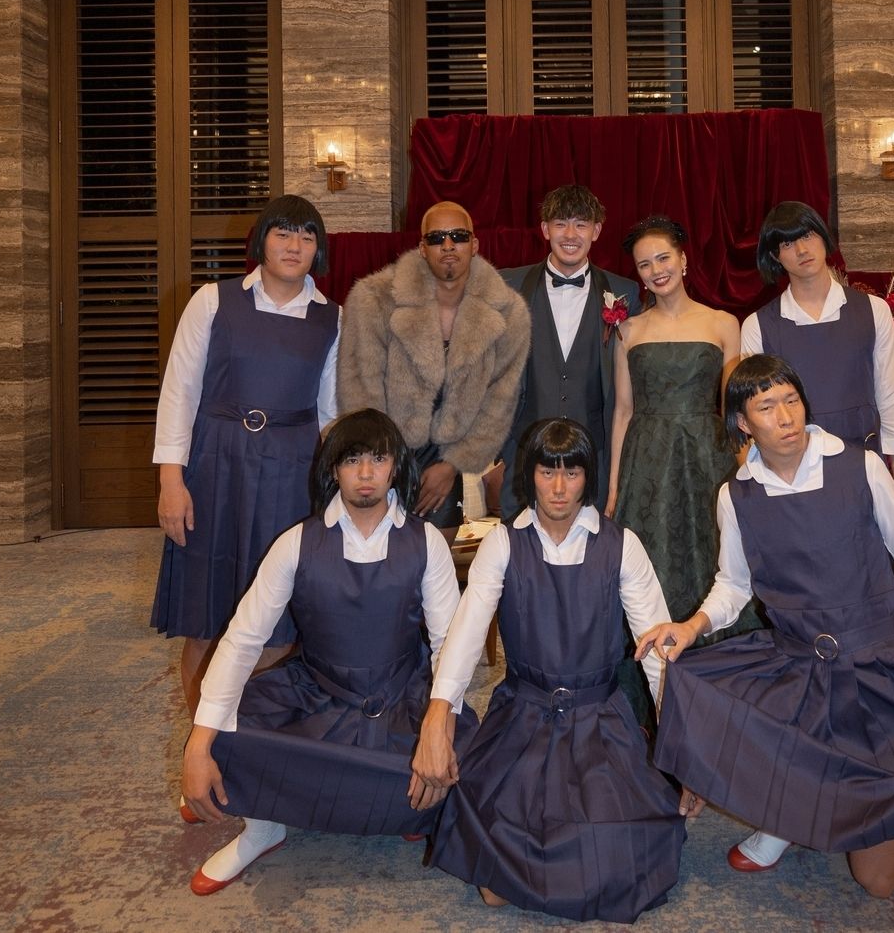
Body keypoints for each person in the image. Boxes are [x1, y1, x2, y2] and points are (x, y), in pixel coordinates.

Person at [637, 356, 894, 898]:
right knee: (695, 683)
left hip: (875, 664)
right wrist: (692, 626)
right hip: (794, 666)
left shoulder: (861, 468)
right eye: (766, 406)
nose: (785, 416)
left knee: (876, 881)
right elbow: (734, 585)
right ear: (742, 422)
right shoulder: (736, 496)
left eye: (791, 400)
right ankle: (792, 814)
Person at [181, 408, 473, 895]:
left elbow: (450, 644)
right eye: (352, 460)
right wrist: (197, 743)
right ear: (333, 469)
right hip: (317, 694)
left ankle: (410, 807)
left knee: (470, 749)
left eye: (378, 459)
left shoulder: (426, 542)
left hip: (402, 697)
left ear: (395, 467)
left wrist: (438, 728)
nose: (365, 473)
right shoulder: (295, 543)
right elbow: (243, 639)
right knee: (226, 727)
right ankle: (264, 829)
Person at [411, 419, 687, 924]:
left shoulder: (621, 544)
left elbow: (657, 654)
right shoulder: (503, 543)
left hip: (599, 723)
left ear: (588, 477)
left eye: (572, 473)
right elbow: (466, 635)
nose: (559, 487)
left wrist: (687, 746)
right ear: (530, 475)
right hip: (523, 718)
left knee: (620, 854)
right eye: (547, 471)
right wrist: (438, 714)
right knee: (496, 877)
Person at [152, 194, 339, 721]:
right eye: (283, 233)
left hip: (292, 474)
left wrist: (342, 494)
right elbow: (179, 393)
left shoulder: (332, 318)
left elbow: (332, 415)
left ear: (318, 250)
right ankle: (202, 741)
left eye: (307, 236)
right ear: (261, 241)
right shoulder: (213, 301)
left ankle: (248, 737)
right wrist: (171, 481)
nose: (295, 245)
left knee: (280, 623)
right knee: (207, 618)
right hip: (216, 466)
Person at [337, 201, 531, 530]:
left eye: (459, 236)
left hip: (446, 461)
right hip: (382, 455)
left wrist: (453, 466)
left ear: (475, 244)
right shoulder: (374, 299)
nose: (448, 245)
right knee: (375, 556)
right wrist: (378, 463)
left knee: (437, 558)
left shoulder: (508, 312)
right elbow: (360, 389)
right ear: (422, 247)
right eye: (437, 238)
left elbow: (500, 401)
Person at [606, 215, 743, 645]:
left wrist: (747, 471)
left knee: (713, 552)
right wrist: (614, 487)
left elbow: (734, 410)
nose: (656, 270)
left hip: (708, 457)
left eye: (663, 258)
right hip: (647, 461)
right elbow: (623, 412)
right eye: (644, 264)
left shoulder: (723, 323)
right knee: (650, 557)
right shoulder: (628, 330)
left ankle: (711, 656)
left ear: (683, 260)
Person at [741, 201, 894, 492]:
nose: (801, 250)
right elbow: (756, 412)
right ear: (774, 256)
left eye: (807, 235)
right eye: (787, 243)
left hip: (864, 461)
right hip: (792, 472)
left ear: (823, 236)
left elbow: (893, 395)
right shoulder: (758, 326)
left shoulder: (873, 311)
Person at [499, 184, 641, 519]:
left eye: (581, 224)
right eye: (561, 223)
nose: (571, 235)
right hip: (524, 453)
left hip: (596, 457)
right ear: (545, 229)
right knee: (520, 545)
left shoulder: (625, 292)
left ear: (597, 231)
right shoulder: (508, 285)